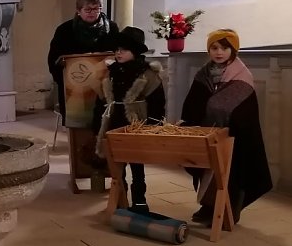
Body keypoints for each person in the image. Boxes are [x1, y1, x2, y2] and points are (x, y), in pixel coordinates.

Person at [181, 29, 272, 224]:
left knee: (231, 174)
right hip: (206, 135)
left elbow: (245, 113)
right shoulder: (202, 75)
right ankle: (208, 207)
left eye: (224, 48)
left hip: (233, 138)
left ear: (233, 50)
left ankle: (229, 211)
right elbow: (192, 104)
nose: (219, 52)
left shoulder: (242, 77)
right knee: (207, 173)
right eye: (214, 48)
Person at [93, 27, 165, 211]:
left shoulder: (147, 74)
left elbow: (157, 102)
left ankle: (140, 200)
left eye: (123, 49)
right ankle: (120, 197)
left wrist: (154, 126)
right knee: (117, 164)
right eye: (117, 49)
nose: (118, 53)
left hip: (136, 124)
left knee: (136, 163)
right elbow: (101, 100)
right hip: (115, 122)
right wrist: (98, 123)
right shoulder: (112, 73)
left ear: (135, 51)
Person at [47, 0, 119, 123]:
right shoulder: (64, 30)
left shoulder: (112, 28)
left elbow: (116, 54)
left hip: (103, 84)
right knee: (78, 122)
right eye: (88, 9)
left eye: (96, 9)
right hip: (74, 85)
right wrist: (62, 80)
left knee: (104, 120)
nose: (92, 12)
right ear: (78, 10)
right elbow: (53, 59)